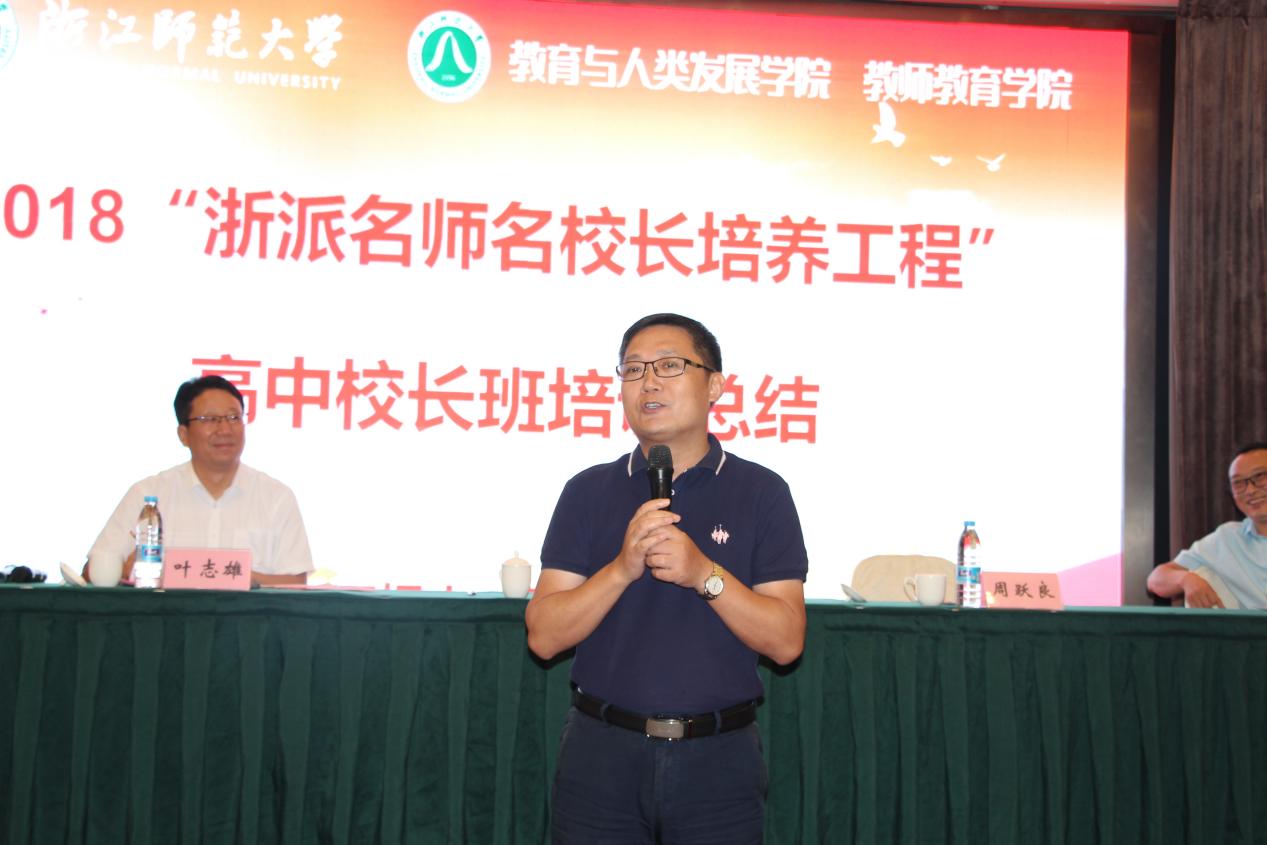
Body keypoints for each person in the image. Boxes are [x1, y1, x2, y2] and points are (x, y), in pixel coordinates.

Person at [526, 313, 808, 843]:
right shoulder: (587, 491)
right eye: (633, 369)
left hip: (718, 760)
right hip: (600, 756)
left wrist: (704, 573)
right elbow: (543, 636)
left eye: (669, 366)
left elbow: (787, 641)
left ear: (715, 385)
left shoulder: (761, 492)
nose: (648, 382)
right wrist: (621, 569)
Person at [86, 375, 313, 586]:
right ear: (183, 434)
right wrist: (123, 571)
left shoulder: (276, 497)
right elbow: (90, 572)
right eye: (210, 419)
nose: (225, 429)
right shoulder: (147, 494)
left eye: (234, 417)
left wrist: (243, 578)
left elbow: (296, 583)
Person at [1147, 442, 1267, 609]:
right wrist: (1186, 580)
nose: (1250, 490)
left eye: (1260, 476)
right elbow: (1156, 579)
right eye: (1238, 483)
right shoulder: (1227, 539)